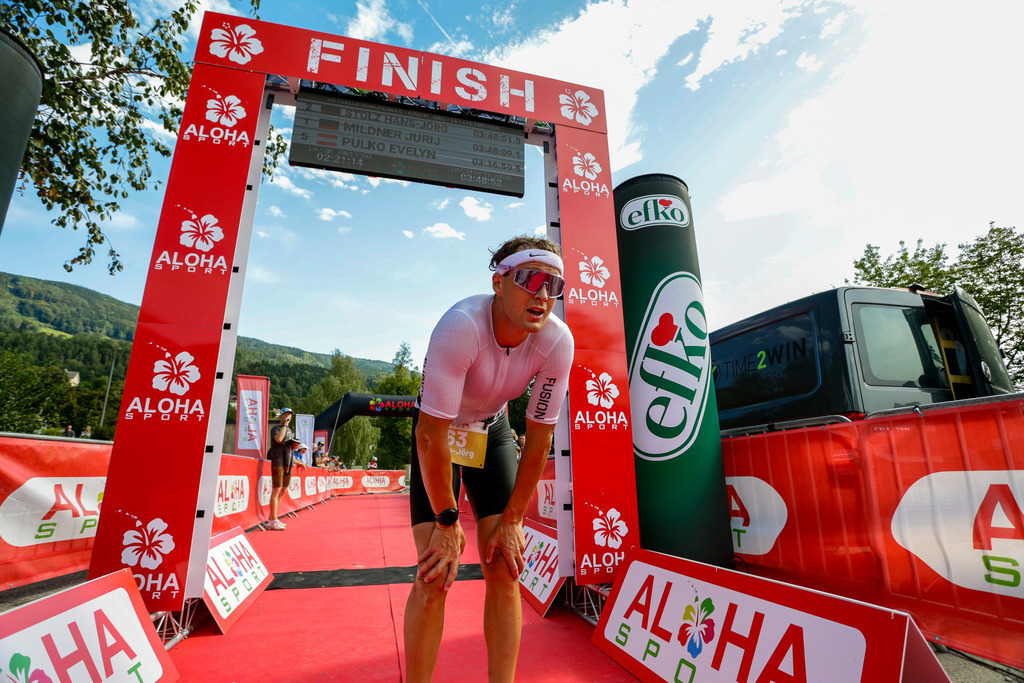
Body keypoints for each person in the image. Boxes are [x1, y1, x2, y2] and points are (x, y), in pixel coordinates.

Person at [403, 235, 574, 682]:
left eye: (553, 285)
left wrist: (515, 520)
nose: (542, 293)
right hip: (440, 435)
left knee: (505, 566)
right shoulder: (461, 325)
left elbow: (538, 439)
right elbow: (429, 433)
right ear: (499, 283)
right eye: (530, 278)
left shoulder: (558, 341)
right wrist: (445, 522)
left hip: (492, 431)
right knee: (435, 573)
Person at [266, 408, 299, 531]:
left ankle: (272, 518)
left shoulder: (290, 430)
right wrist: (284, 425)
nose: (288, 417)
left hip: (288, 462)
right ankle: (273, 519)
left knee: (283, 490)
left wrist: (294, 446)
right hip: (278, 461)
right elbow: (278, 439)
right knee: (276, 489)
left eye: (289, 415)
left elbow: (288, 445)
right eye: (285, 415)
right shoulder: (277, 428)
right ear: (281, 416)